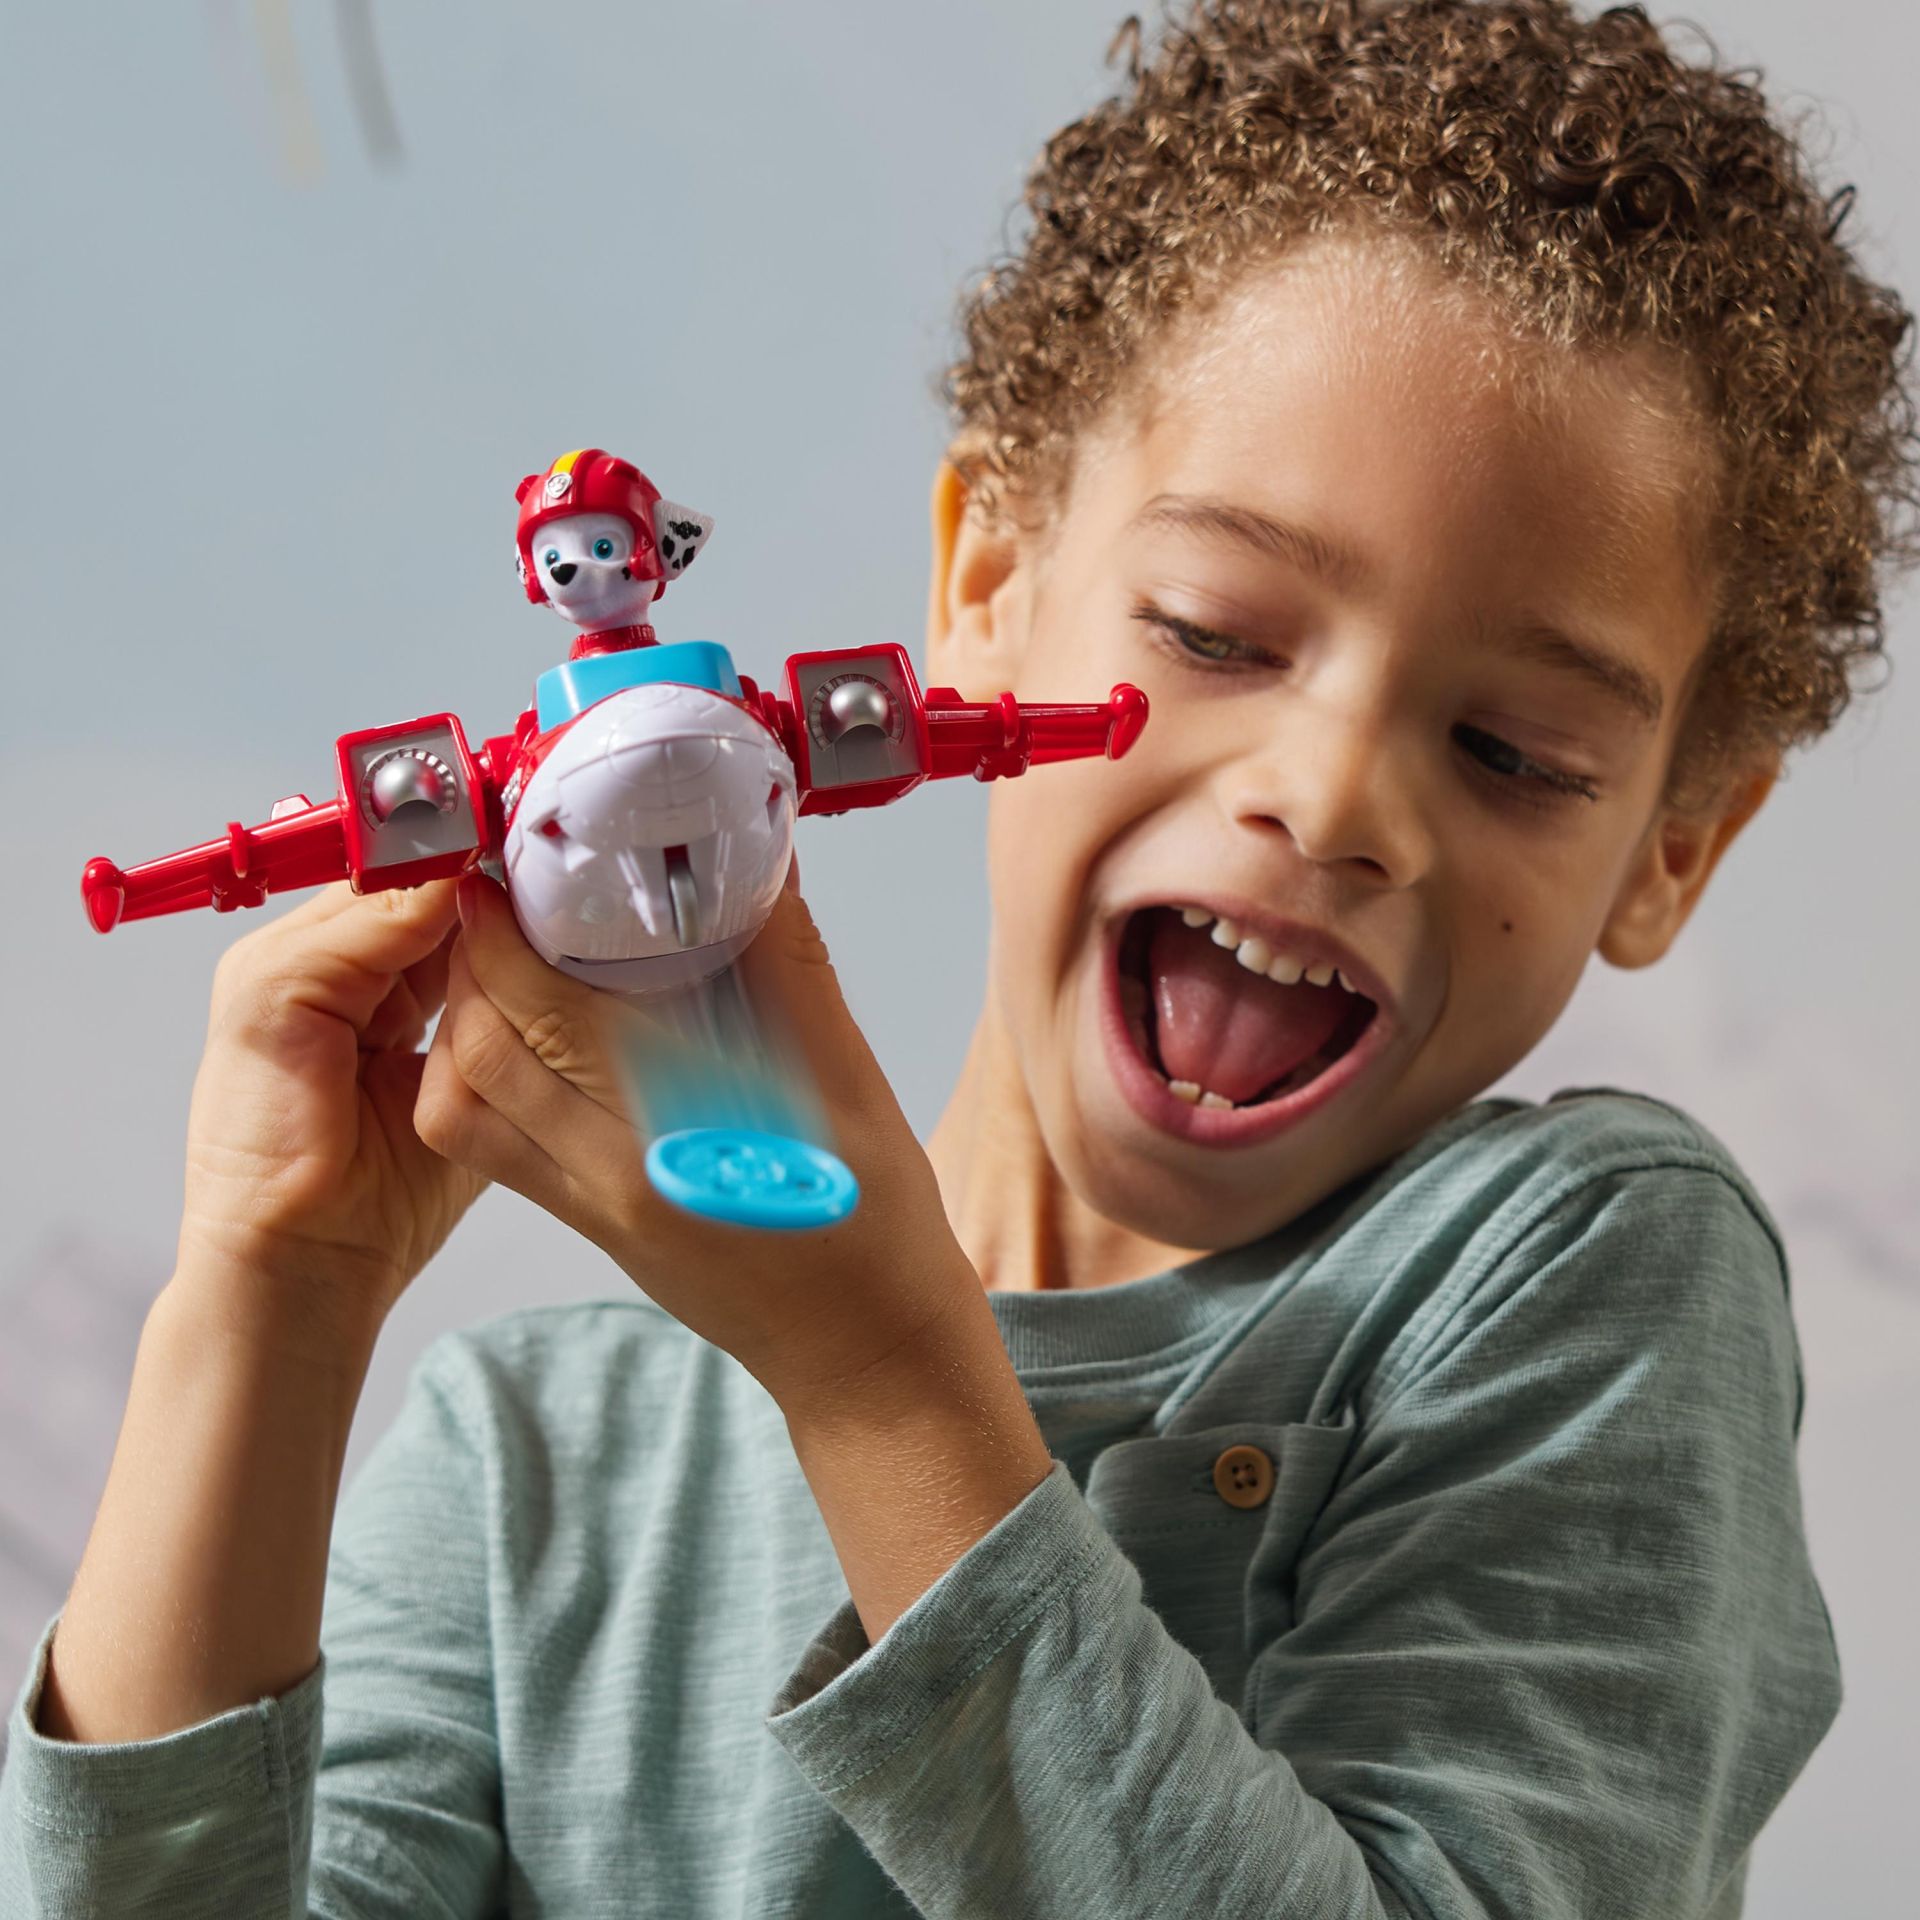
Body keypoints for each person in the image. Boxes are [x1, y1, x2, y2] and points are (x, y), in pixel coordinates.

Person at [3, 2, 1904, 1913]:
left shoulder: (1586, 1275)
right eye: (1216, 633)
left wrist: (881, 1379)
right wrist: (271, 1306)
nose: (1331, 801)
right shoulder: (528, 1471)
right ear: (988, 586)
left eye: (1514, 752)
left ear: (1672, 844)